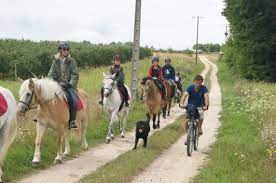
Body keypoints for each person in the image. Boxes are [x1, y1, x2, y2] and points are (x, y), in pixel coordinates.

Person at [48, 41, 79, 129]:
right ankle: (41, 117)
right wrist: (54, 83)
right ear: (60, 50)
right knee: (45, 95)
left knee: (74, 99)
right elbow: (50, 74)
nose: (66, 51)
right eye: (64, 49)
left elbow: (75, 74)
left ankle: (72, 121)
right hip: (57, 85)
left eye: (67, 49)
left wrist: (70, 84)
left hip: (68, 86)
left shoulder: (72, 61)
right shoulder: (55, 61)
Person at [179, 75, 209, 141]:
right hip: (191, 105)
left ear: (201, 83)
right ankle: (188, 134)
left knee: (200, 116)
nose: (198, 84)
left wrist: (206, 106)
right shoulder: (190, 87)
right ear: (194, 81)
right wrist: (181, 104)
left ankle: (199, 128)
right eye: (196, 82)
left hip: (200, 106)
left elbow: (206, 97)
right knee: (186, 121)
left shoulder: (204, 89)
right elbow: (184, 96)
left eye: (200, 83)